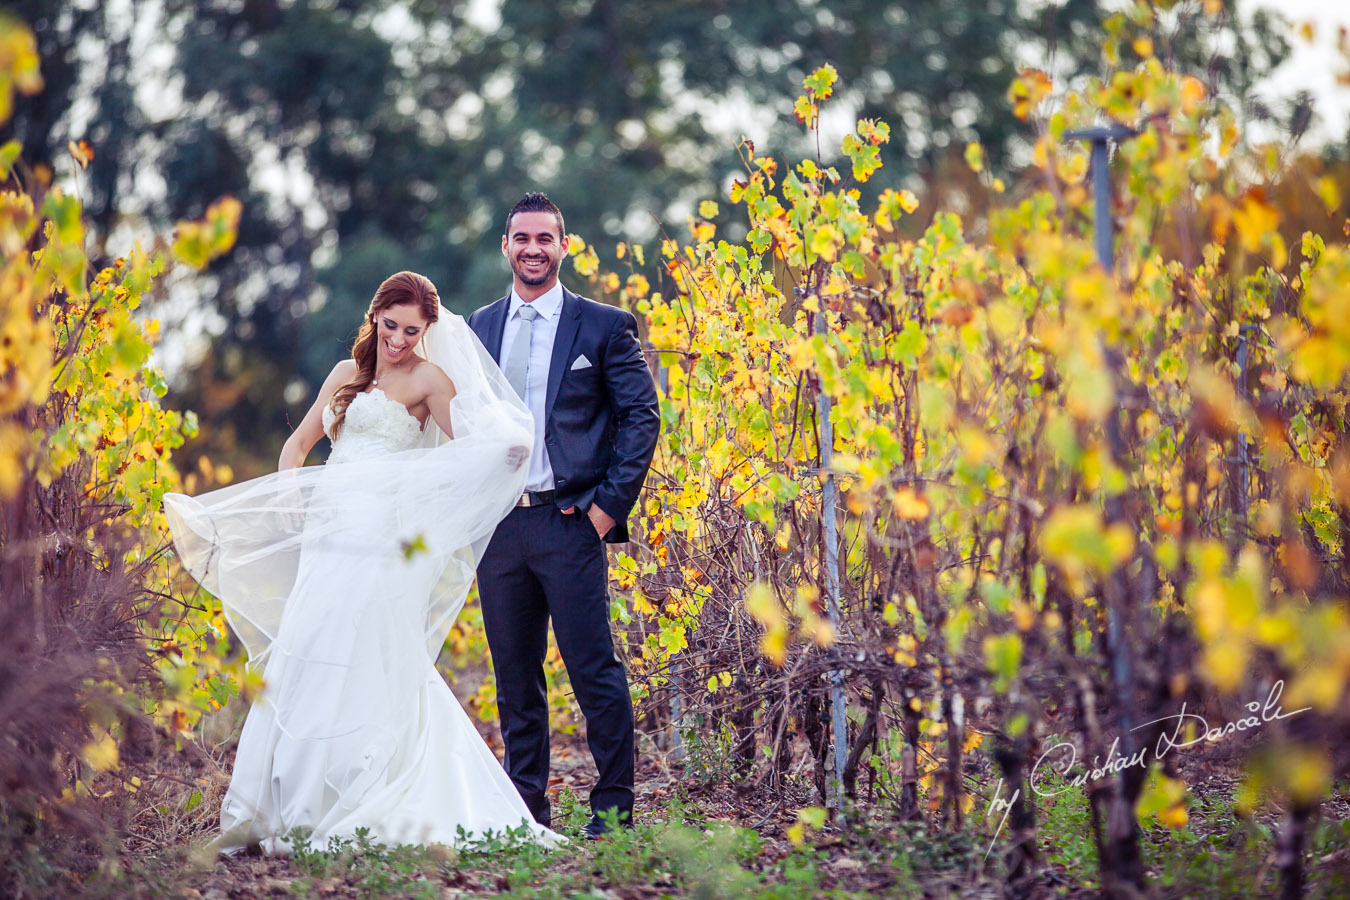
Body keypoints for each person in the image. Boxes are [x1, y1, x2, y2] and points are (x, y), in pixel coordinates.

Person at [163, 271, 559, 854]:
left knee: (370, 645)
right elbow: (297, 445)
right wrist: (291, 495)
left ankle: (365, 786)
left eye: (411, 330)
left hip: (383, 536)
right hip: (329, 530)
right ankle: (285, 801)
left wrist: (506, 450)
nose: (398, 340)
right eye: (390, 325)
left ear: (428, 330)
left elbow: (466, 447)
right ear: (374, 318)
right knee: (313, 642)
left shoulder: (430, 378)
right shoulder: (347, 374)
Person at [467, 193, 660, 839]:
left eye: (544, 238)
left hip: (571, 521)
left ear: (564, 246)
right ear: (505, 245)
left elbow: (641, 417)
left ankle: (612, 818)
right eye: (521, 237)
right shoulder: (476, 329)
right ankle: (527, 817)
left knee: (593, 673)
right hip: (500, 530)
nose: (532, 249)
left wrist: (606, 510)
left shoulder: (604, 326)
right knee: (515, 681)